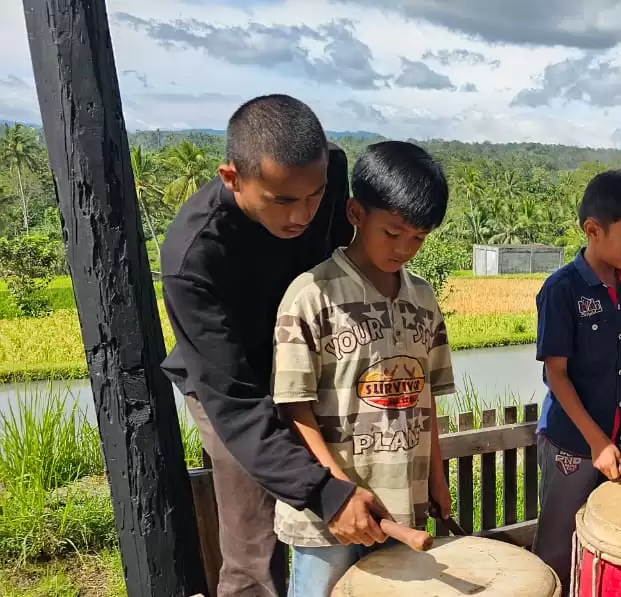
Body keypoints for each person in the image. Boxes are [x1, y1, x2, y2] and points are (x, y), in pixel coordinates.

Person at [160, 94, 371, 596]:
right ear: (232, 178)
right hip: (232, 383)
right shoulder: (193, 257)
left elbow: (340, 258)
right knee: (254, 545)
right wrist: (325, 493)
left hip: (306, 362)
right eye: (282, 200)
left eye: (315, 196)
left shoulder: (326, 170)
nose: (302, 215)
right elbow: (234, 404)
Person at [270, 140, 455, 596]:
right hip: (328, 516)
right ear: (356, 213)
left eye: (418, 238)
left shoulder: (423, 300)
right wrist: (337, 492)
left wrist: (436, 478)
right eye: (392, 233)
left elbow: (426, 396)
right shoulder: (312, 296)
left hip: (401, 504)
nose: (404, 249)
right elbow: (294, 408)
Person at [530, 170, 621, 588]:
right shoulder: (562, 290)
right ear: (593, 230)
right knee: (558, 547)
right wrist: (596, 442)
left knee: (619, 539)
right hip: (573, 444)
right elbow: (556, 375)